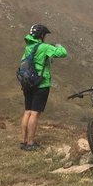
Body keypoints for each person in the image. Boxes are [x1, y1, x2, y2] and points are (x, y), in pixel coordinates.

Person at [19, 23, 67, 151]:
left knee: (27, 111)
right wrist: (58, 46)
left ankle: (23, 141)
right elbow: (63, 53)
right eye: (45, 35)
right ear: (41, 35)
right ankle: (30, 143)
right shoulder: (44, 47)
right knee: (35, 114)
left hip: (28, 83)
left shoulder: (28, 47)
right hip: (41, 84)